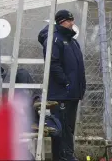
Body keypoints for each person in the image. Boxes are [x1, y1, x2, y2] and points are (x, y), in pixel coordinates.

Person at [38, 10, 86, 161]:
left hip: (72, 93)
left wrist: (78, 87)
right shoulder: (54, 40)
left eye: (72, 20)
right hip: (61, 93)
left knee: (68, 127)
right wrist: (65, 82)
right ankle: (64, 157)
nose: (72, 23)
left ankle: (68, 155)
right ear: (60, 22)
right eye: (68, 20)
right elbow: (53, 64)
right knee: (62, 126)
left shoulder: (72, 41)